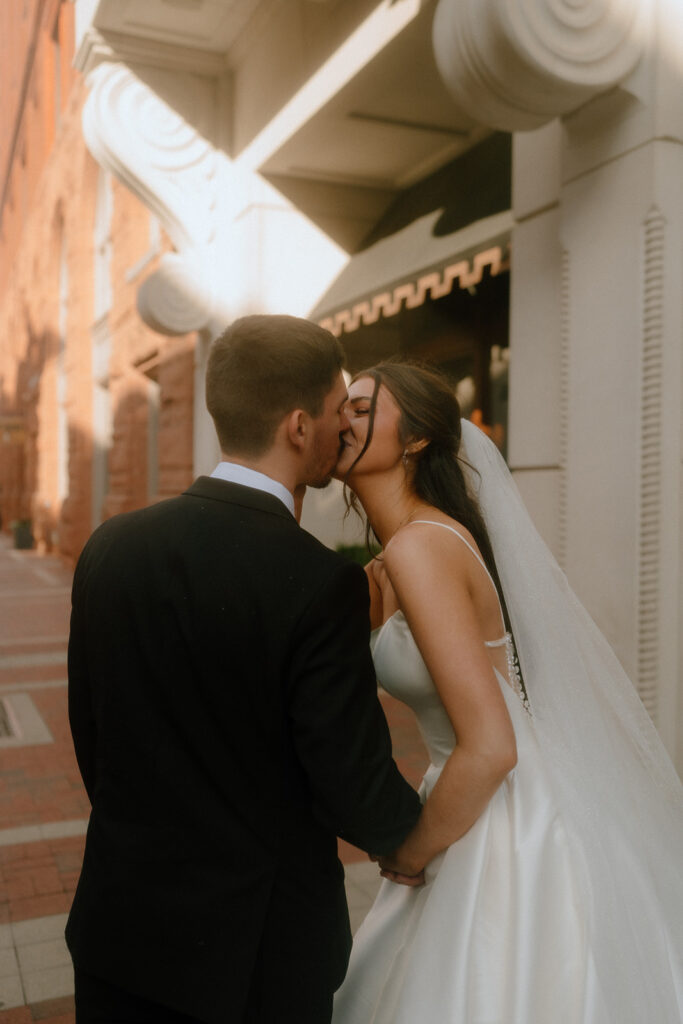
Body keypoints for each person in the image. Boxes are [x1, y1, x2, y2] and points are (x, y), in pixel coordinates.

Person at [65, 315, 422, 1024]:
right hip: (255, 962)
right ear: (297, 426)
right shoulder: (319, 584)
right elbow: (357, 792)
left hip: (119, 938)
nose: (341, 432)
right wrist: (431, 843)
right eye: (333, 413)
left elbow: (92, 736)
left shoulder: (110, 547)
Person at [331, 360, 683, 1024]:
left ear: (413, 441)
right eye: (338, 407)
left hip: (496, 815)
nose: (341, 420)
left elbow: (490, 748)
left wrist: (410, 851)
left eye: (360, 408)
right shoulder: (399, 556)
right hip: (479, 793)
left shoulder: (420, 549)